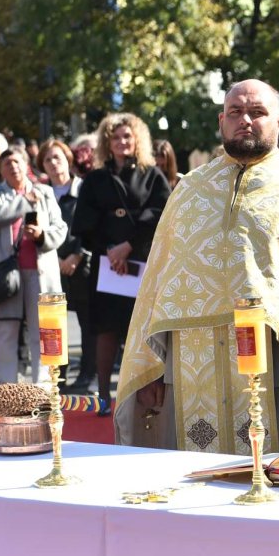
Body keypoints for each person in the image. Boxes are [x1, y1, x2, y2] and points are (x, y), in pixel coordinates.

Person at [115, 79, 279, 453]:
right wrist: (154, 364)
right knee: (190, 487)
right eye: (235, 112)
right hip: (187, 371)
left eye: (257, 112)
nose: (245, 120)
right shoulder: (188, 191)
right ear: (221, 121)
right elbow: (158, 282)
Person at [72, 113, 170, 413]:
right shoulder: (95, 179)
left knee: (143, 332)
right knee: (106, 331)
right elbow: (84, 223)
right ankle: (104, 396)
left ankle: (148, 397)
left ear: (136, 139)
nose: (121, 142)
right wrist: (112, 251)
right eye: (115, 137)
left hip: (143, 263)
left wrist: (130, 247)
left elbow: (161, 215)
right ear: (106, 142)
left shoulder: (152, 175)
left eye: (127, 136)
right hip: (107, 266)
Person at [0, 147, 67, 387]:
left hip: (42, 273)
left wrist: (41, 235)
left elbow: (60, 228)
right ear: (0, 170)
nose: (13, 167)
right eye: (7, 163)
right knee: (6, 332)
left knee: (45, 331)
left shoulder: (45, 191)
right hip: (8, 275)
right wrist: (23, 202)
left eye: (17, 162)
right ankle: (6, 389)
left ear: (27, 164)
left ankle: (46, 388)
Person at [38, 139, 94, 393]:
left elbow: (92, 228)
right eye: (47, 160)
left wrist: (77, 256)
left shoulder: (84, 189)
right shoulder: (40, 193)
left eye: (57, 158)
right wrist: (55, 259)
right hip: (50, 265)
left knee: (87, 320)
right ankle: (56, 375)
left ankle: (87, 373)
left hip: (81, 265)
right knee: (53, 322)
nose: (53, 164)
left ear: (68, 160)